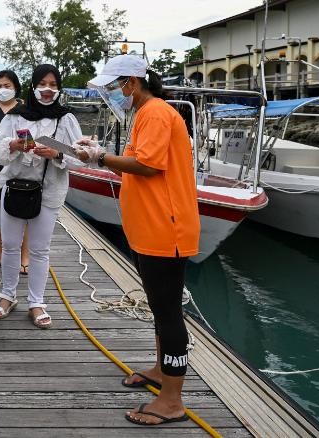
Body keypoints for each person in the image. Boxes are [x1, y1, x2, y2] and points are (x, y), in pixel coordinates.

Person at [76, 54, 200, 426]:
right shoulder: (144, 114)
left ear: (132, 82)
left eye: (114, 87)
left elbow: (148, 165)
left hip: (166, 229)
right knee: (159, 309)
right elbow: (136, 164)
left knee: (169, 312)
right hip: (150, 229)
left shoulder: (156, 113)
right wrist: (98, 155)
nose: (113, 94)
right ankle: (162, 371)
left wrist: (101, 158)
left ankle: (172, 400)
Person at [0, 64, 85, 328]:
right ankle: (7, 295)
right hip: (14, 187)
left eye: (53, 85)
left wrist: (56, 154)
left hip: (48, 192)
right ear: (33, 86)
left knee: (40, 249)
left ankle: (36, 302)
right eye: (42, 84)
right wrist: (13, 144)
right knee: (10, 245)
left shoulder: (66, 119)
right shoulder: (16, 116)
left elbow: (81, 156)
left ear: (59, 88)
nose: (47, 89)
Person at [0, 70, 30, 272]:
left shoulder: (25, 112)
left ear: (16, 88)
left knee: (23, 211)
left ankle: (24, 256)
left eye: (7, 86)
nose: (3, 89)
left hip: (20, 168)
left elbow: (30, 140)